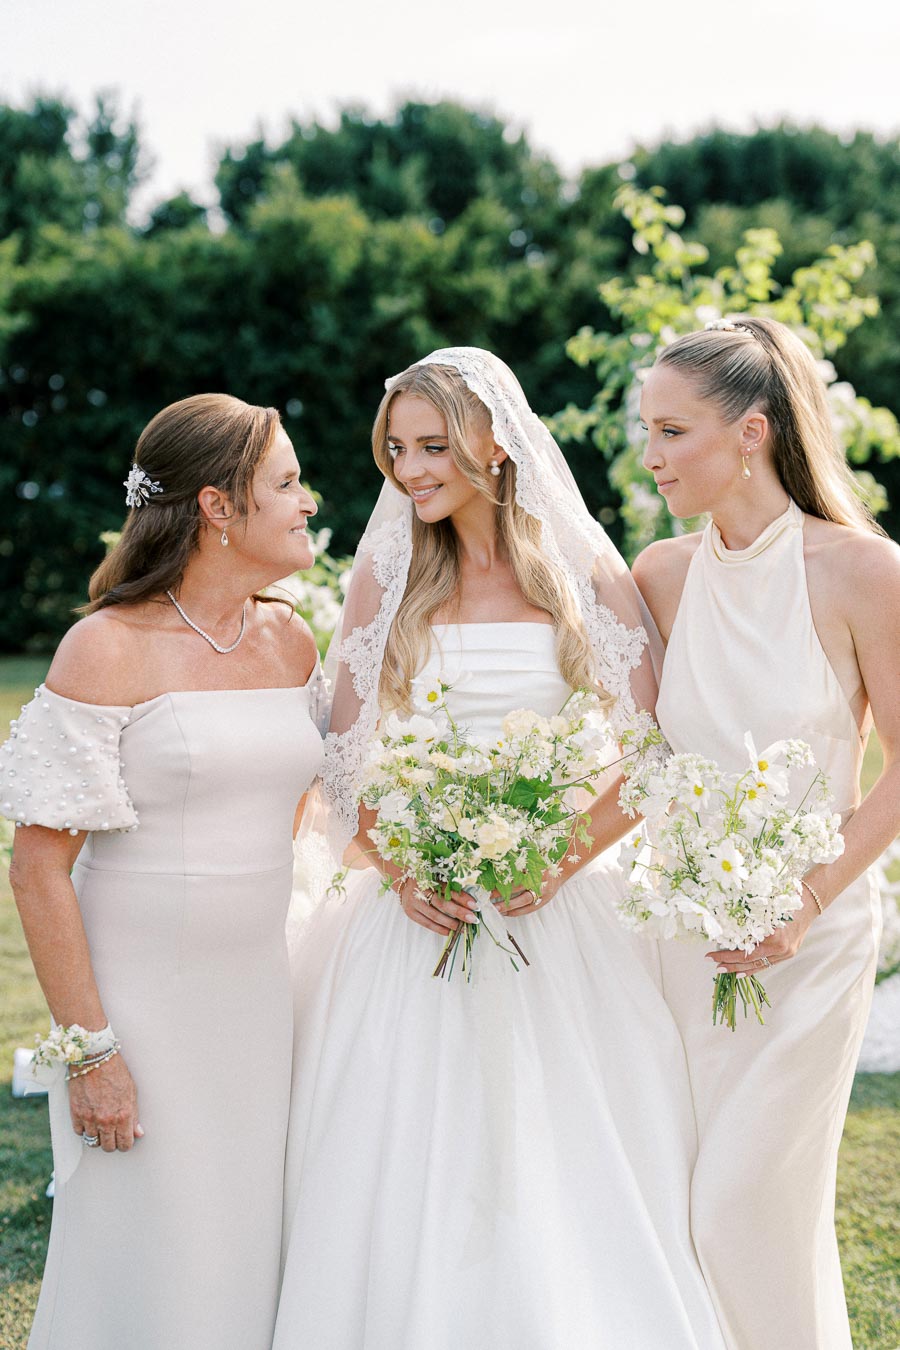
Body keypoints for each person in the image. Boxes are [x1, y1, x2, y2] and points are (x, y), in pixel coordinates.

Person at [274, 348, 725, 1349]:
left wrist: (554, 857)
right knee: (406, 1156)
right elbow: (342, 759)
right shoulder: (384, 578)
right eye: (396, 449)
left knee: (554, 1153)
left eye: (434, 445)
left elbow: (653, 760)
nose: (411, 469)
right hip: (411, 915)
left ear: (496, 443)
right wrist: (403, 870)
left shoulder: (584, 575)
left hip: (557, 915)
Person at [3, 394, 325, 1350]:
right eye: (288, 483)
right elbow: (37, 870)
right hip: (141, 1011)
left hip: (262, 1001)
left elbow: (296, 807)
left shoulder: (291, 639)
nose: (310, 501)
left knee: (249, 1242)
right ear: (218, 509)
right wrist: (92, 1052)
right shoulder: (105, 647)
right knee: (149, 1249)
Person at [633, 317, 899, 1349]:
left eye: (671, 431)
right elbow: (628, 754)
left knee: (744, 1207)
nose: (650, 457)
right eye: (645, 432)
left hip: (816, 936)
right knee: (690, 1213)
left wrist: (805, 901)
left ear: (750, 433)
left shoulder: (862, 571)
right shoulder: (657, 575)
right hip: (682, 944)